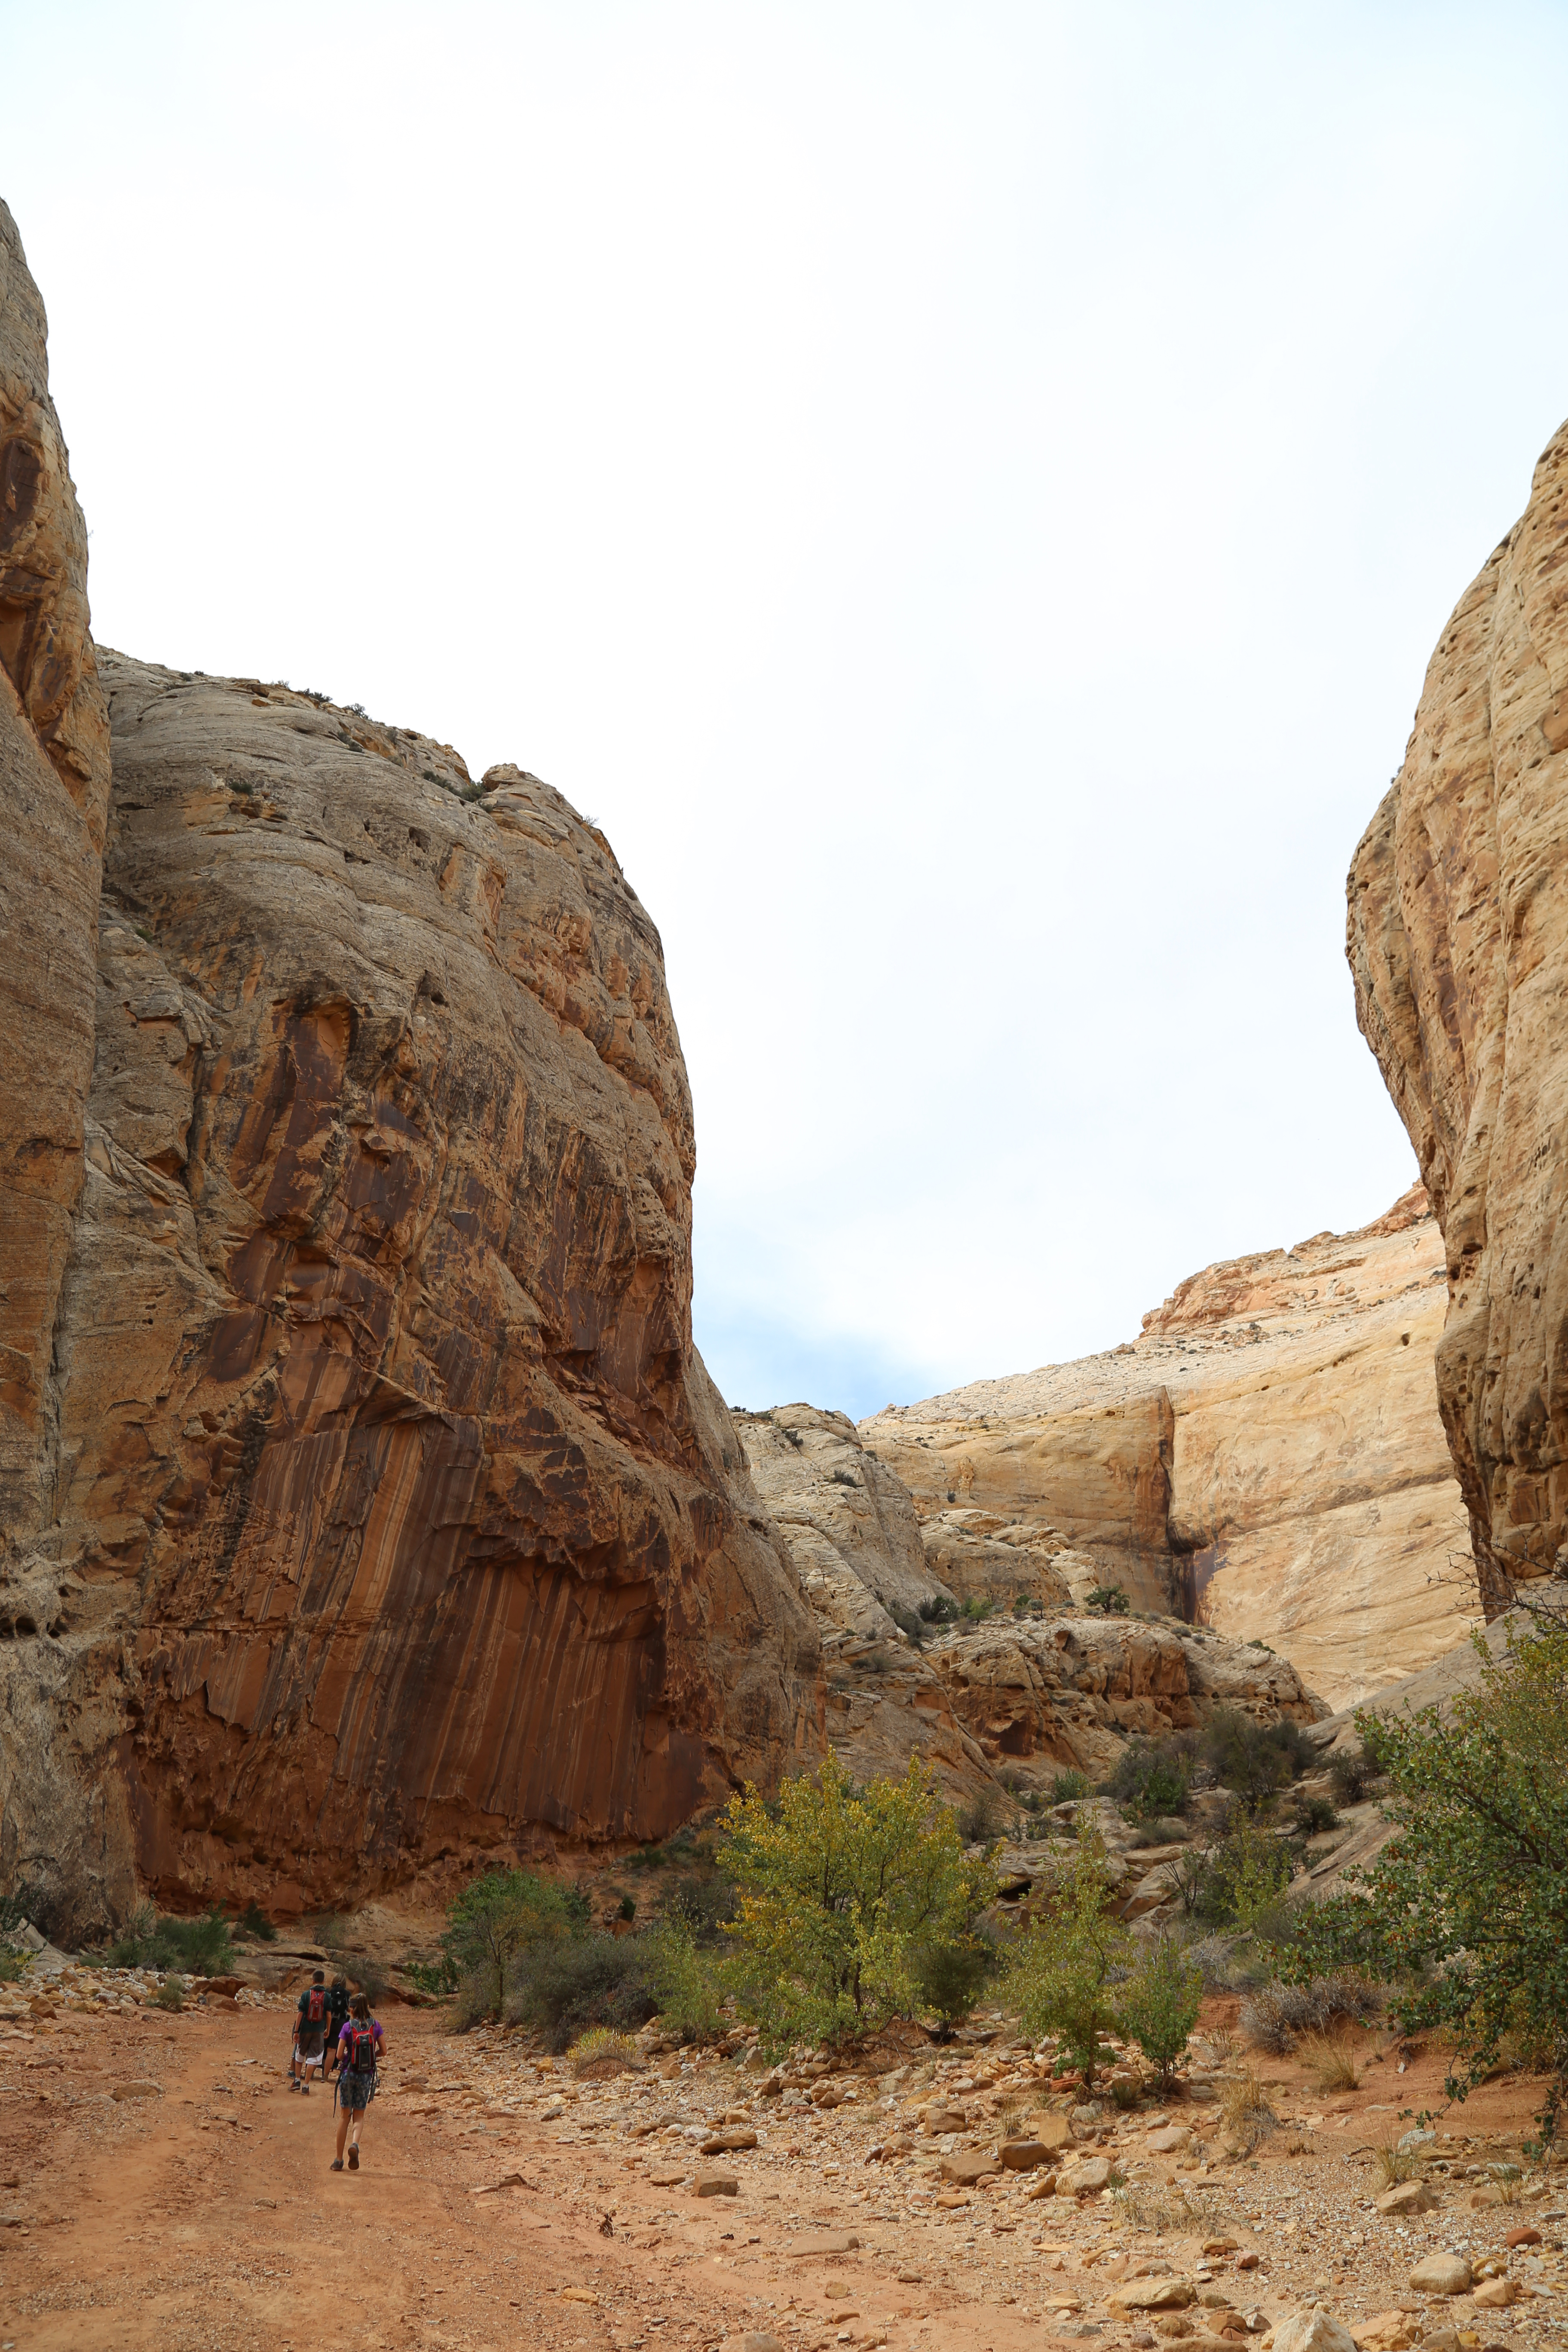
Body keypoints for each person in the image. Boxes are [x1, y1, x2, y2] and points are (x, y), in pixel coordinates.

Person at [331, 1993, 385, 2172]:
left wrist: (348, 2057)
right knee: (359, 2117)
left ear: (352, 2009)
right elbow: (384, 2050)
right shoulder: (375, 2025)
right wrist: (371, 2059)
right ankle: (355, 2144)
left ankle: (338, 2160)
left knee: (344, 2116)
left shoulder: (347, 2027)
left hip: (348, 2074)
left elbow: (339, 2055)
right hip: (365, 2075)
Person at [291, 1969, 330, 2094]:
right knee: (313, 2058)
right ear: (324, 1981)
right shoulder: (327, 1996)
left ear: (313, 1981)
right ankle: (306, 2087)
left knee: (300, 2054)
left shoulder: (306, 1995)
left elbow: (300, 2013)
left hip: (305, 2029)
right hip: (318, 2031)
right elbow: (329, 2016)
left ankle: (297, 2081)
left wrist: (296, 2031)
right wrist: (328, 2029)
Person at [324, 1975, 349, 2075]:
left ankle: (312, 2073)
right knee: (332, 2050)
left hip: (326, 2023)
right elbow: (349, 2008)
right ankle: (325, 2076)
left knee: (321, 2048)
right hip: (340, 2024)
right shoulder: (347, 1994)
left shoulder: (328, 1991)